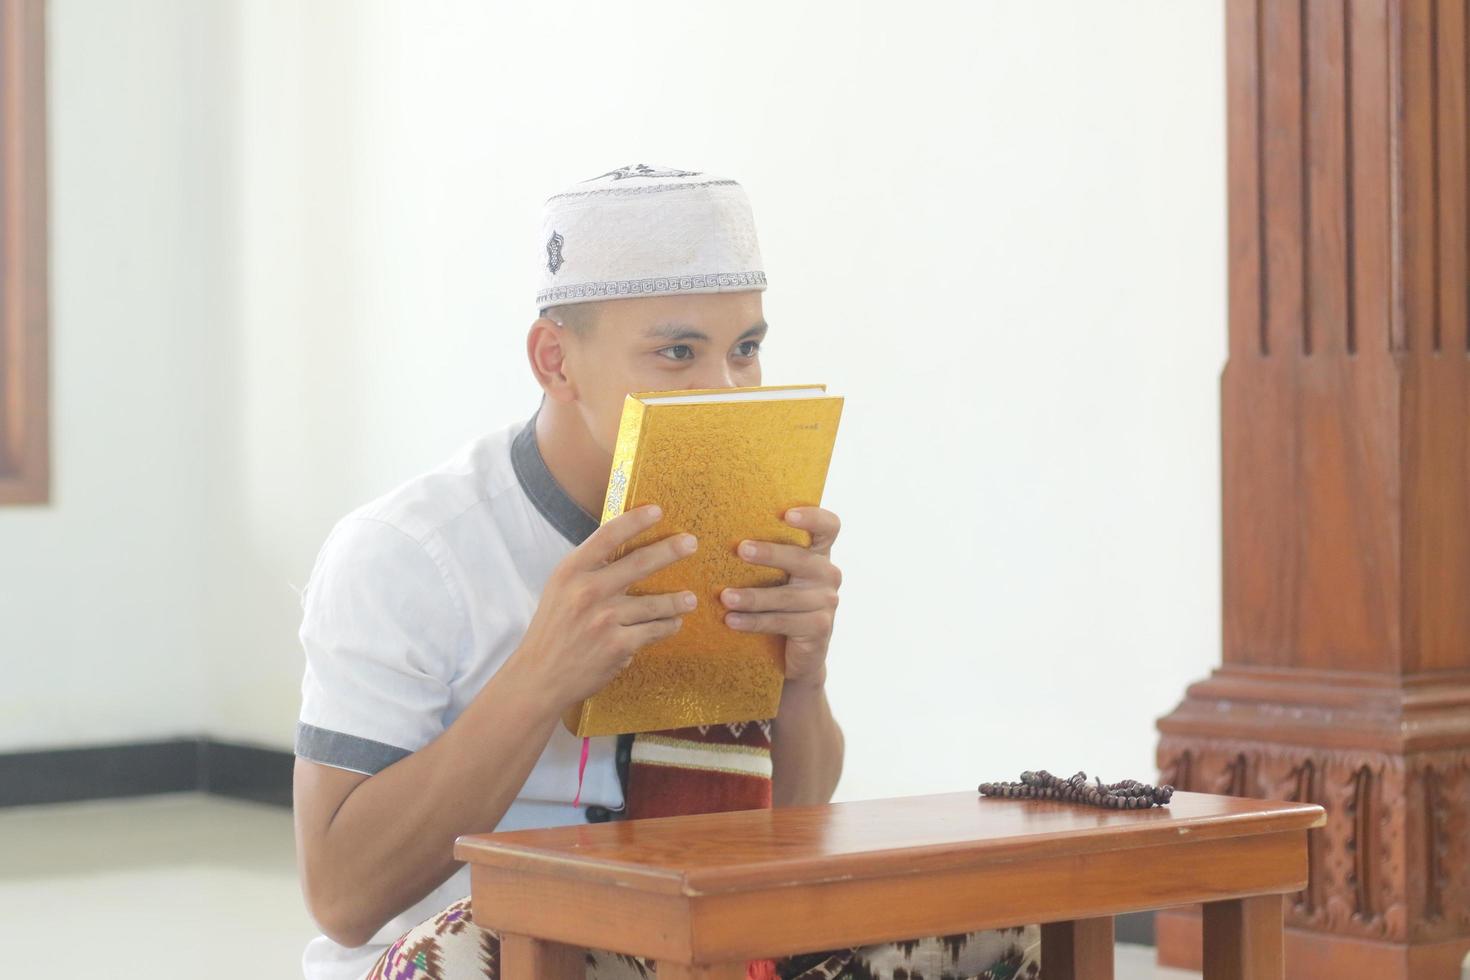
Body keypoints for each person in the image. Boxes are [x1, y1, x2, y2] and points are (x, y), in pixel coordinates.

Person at [292, 164, 1039, 980]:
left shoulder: (746, 520)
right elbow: (343, 897)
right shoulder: (405, 553)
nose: (723, 391)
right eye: (677, 352)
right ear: (555, 360)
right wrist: (541, 678)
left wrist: (800, 681)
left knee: (1003, 933)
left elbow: (782, 836)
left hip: (693, 944)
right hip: (473, 952)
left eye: (745, 350)